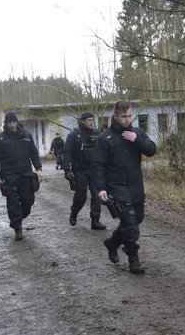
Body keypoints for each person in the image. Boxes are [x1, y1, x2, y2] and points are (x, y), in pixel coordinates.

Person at [93, 100, 157, 274]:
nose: (128, 120)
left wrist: (137, 140)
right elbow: (98, 165)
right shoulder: (104, 138)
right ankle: (133, 260)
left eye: (130, 116)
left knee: (137, 219)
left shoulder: (136, 133)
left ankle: (113, 242)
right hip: (116, 187)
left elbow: (151, 150)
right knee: (129, 223)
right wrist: (101, 188)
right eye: (124, 117)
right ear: (115, 116)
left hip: (136, 185)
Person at [0, 112, 43, 240]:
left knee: (28, 200)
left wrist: (39, 169)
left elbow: (33, 153)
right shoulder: (0, 139)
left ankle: (19, 217)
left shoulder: (26, 135)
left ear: (17, 122)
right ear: (6, 123)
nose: (12, 125)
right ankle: (17, 227)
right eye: (9, 123)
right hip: (9, 175)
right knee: (13, 202)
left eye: (13, 122)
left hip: (26, 174)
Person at [61, 111, 106, 230]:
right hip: (79, 169)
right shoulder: (74, 135)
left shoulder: (96, 134)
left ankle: (95, 220)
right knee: (81, 195)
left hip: (94, 169)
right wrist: (67, 170)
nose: (92, 123)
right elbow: (66, 153)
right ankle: (74, 212)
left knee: (97, 195)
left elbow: (102, 151)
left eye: (93, 120)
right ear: (83, 121)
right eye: (89, 120)